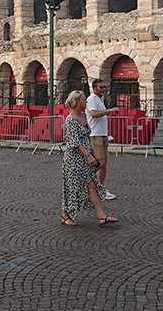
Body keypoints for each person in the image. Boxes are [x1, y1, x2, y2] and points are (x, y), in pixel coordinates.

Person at [61, 90, 118, 227]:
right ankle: (65, 215)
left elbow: (86, 137)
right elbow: (75, 142)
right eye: (84, 100)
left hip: (86, 156)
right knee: (72, 187)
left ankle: (101, 216)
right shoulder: (70, 120)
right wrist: (89, 156)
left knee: (92, 185)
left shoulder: (83, 117)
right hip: (74, 159)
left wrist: (91, 153)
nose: (86, 102)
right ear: (77, 102)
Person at [85, 79, 120, 200]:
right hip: (95, 134)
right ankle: (85, 180)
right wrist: (109, 111)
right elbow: (94, 113)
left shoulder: (100, 99)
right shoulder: (91, 100)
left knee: (104, 163)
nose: (104, 89)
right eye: (101, 87)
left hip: (102, 133)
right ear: (94, 88)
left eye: (104, 87)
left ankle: (101, 188)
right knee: (101, 162)